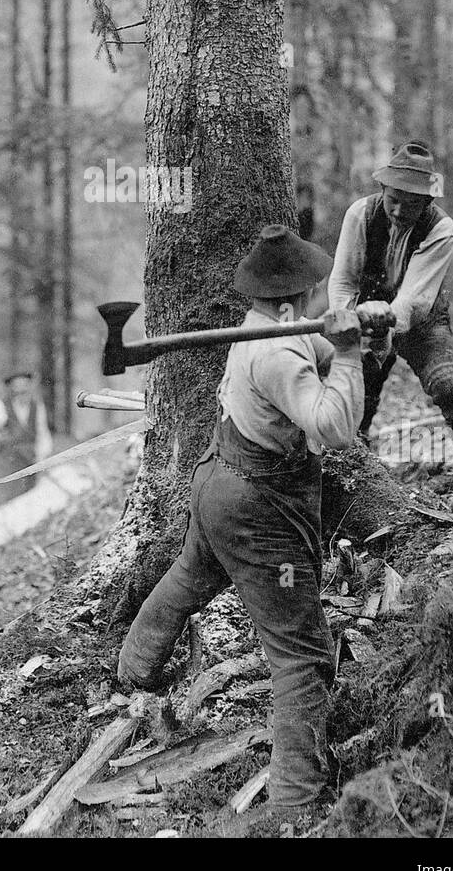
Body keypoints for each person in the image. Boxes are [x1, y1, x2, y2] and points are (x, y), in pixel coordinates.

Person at [117, 224, 390, 822]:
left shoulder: (263, 328)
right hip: (257, 507)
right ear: (291, 304)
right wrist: (347, 354)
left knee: (192, 574)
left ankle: (131, 673)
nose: (326, 299)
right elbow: (333, 428)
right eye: (320, 292)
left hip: (220, 483)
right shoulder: (273, 354)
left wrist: (361, 338)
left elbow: (316, 347)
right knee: (300, 651)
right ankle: (294, 803)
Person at [328, 140, 453, 469]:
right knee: (358, 395)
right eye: (393, 200)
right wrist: (349, 322)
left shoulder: (442, 229)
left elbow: (414, 298)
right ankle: (358, 471)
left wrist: (386, 331)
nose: (399, 211)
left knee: (452, 387)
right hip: (364, 315)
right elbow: (343, 281)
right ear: (383, 188)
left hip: (422, 320)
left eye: (411, 204)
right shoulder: (361, 214)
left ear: (427, 201)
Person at [0, 371, 53, 501]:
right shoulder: (1, 405)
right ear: (11, 389)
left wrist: (42, 457)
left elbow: (43, 433)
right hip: (8, 461)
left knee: (29, 498)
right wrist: (3, 440)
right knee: (7, 498)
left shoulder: (37, 406)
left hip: (29, 460)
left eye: (24, 386)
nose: (21, 391)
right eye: (17, 387)